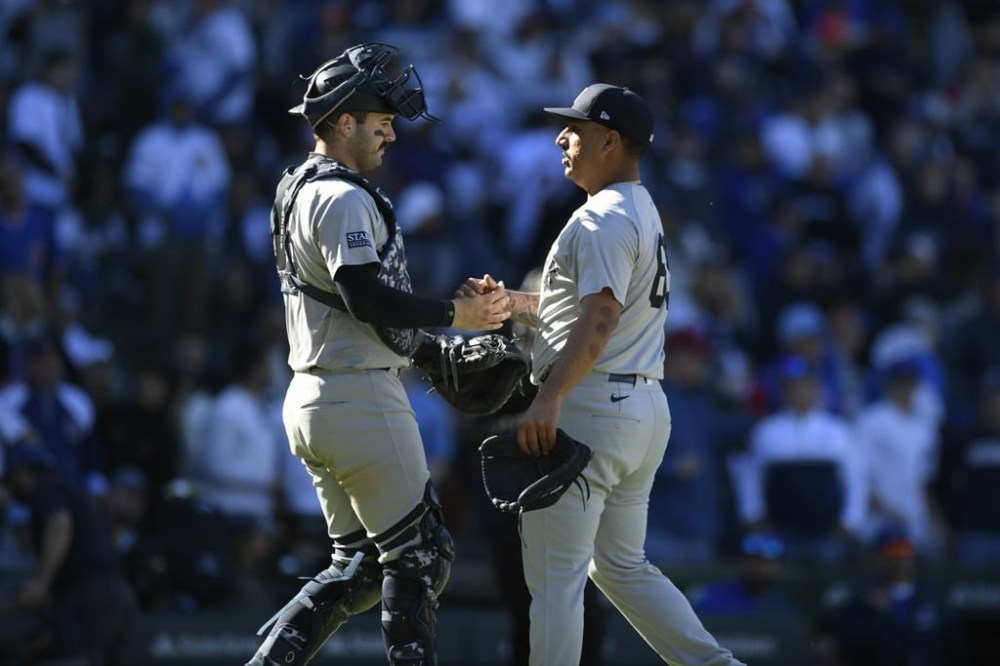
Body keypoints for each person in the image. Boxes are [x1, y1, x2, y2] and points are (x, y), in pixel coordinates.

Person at [246, 43, 511, 666]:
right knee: (421, 555)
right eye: (381, 120)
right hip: (358, 394)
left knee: (362, 567)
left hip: (314, 397)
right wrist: (455, 317)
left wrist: (431, 334)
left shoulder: (297, 188)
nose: (392, 132)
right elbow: (365, 296)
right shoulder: (341, 196)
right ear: (344, 122)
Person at [460, 83, 742, 665]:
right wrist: (514, 303)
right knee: (619, 566)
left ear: (610, 140)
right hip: (639, 406)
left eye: (577, 129)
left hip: (591, 404)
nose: (563, 138)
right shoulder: (638, 207)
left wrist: (549, 398)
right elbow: (586, 306)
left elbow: (602, 317)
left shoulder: (603, 218)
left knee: (556, 578)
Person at [1, 443, 136, 665]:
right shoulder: (70, 490)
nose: (12, 488)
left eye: (12, 479)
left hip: (93, 595)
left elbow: (60, 522)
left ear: (23, 472)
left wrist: (40, 583)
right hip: (115, 593)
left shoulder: (47, 488)